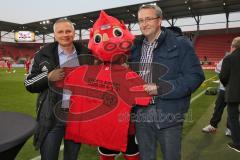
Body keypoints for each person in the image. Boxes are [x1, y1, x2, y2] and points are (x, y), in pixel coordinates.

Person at [130, 4, 205, 160]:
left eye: (148, 19)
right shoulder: (136, 47)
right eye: (141, 20)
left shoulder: (180, 43)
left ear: (160, 20)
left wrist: (161, 88)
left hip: (169, 113)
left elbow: (195, 76)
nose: (144, 24)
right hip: (141, 113)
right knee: (146, 157)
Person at [24, 18, 92, 160]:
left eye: (68, 31)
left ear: (74, 33)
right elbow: (29, 84)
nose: (65, 34)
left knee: (71, 157)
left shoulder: (87, 55)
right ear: (54, 35)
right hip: (52, 117)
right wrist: (47, 76)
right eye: (60, 32)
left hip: (76, 116)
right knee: (48, 157)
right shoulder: (42, 55)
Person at [219, 36, 240, 152]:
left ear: (233, 46)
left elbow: (223, 77)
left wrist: (228, 85)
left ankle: (237, 143)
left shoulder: (229, 58)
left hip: (234, 92)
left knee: (233, 117)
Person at [202, 55, 231, 136]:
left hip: (231, 89)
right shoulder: (226, 58)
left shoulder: (227, 58)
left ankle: (230, 128)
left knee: (231, 110)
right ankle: (213, 125)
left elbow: (218, 70)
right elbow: (218, 70)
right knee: (219, 108)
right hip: (226, 89)